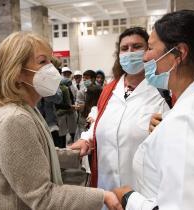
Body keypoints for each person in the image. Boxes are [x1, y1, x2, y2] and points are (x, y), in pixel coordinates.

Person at [0, 32, 122, 210]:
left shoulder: (26, 108)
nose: (52, 69)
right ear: (18, 72)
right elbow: (42, 197)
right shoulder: (14, 120)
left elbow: (34, 157)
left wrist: (74, 155)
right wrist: (102, 196)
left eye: (51, 61)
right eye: (43, 61)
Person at [113, 10, 194, 210]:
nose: (144, 57)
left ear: (179, 53)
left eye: (150, 48)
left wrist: (130, 199)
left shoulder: (189, 119)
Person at [70, 27, 170, 194]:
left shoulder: (163, 90)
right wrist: (86, 139)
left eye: (137, 47)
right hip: (106, 189)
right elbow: (99, 123)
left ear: (149, 51)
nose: (130, 52)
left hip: (143, 193)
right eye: (124, 48)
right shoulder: (110, 90)